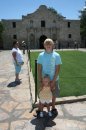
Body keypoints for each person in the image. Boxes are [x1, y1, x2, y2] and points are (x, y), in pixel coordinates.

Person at [37, 38, 62, 116]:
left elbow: (57, 69)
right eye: (46, 44)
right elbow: (39, 69)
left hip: (54, 78)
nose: (48, 45)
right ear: (44, 45)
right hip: (44, 80)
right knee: (42, 94)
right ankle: (40, 109)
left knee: (53, 94)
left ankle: (53, 107)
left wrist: (53, 81)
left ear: (53, 45)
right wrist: (41, 80)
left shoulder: (57, 55)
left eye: (50, 44)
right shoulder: (41, 55)